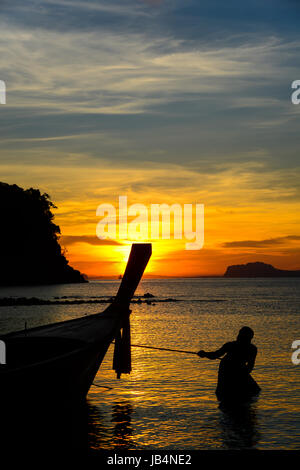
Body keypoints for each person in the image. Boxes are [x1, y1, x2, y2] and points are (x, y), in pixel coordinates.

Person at [198, 326, 261, 403]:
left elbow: (250, 366)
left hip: (239, 371)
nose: (238, 337)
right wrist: (204, 354)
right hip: (226, 370)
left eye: (240, 335)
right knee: (224, 392)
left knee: (255, 390)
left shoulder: (251, 349)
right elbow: (216, 355)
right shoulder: (232, 345)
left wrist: (204, 354)